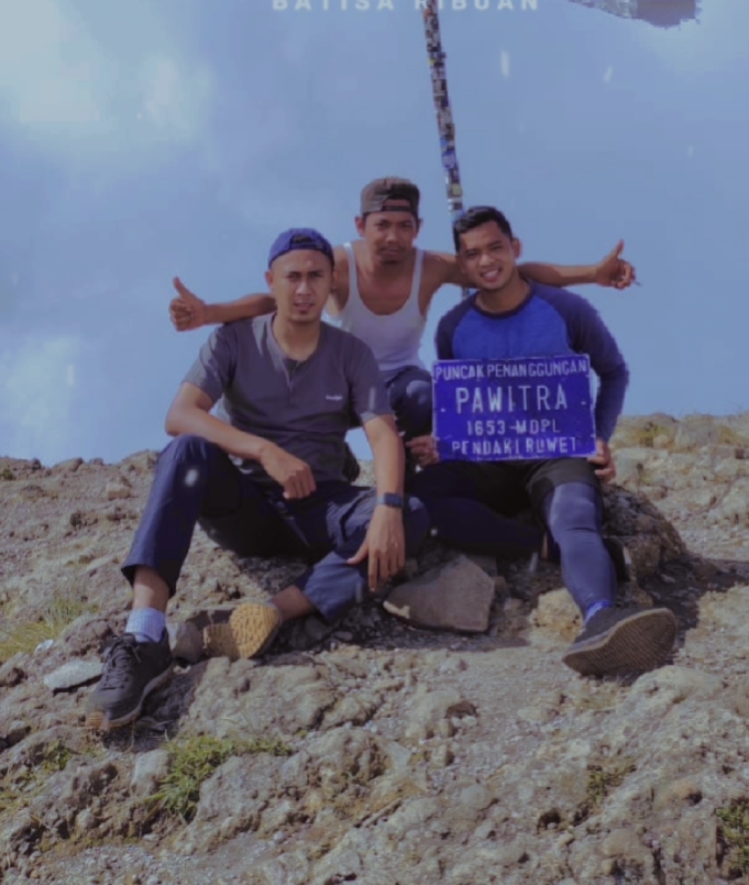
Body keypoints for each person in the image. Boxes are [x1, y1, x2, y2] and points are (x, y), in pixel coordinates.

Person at [86, 228, 429, 733]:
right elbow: (181, 414)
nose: (305, 289)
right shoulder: (234, 339)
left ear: (332, 283)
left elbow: (381, 432)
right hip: (245, 506)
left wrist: (388, 506)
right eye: (293, 277)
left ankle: (269, 614)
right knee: (186, 451)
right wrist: (265, 451)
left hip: (320, 508)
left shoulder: (351, 353)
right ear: (272, 281)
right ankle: (143, 636)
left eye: (316, 277)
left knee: (410, 515)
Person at [169, 177, 636, 465]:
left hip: (394, 384)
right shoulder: (337, 264)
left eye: (404, 226)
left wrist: (592, 274)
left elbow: (513, 272)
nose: (393, 236)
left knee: (425, 394)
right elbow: (275, 299)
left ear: (417, 228)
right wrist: (210, 313)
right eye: (382, 225)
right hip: (335, 381)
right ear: (361, 225)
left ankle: (414, 483)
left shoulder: (429, 267)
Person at [423, 205, 677, 677]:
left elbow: (614, 372)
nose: (486, 261)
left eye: (495, 248)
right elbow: (461, 402)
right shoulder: (452, 328)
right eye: (473, 254)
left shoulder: (566, 309)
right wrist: (444, 443)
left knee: (573, 516)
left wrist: (598, 437)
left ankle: (600, 617)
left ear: (515, 248)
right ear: (462, 264)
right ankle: (551, 548)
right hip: (489, 462)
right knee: (424, 499)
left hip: (557, 455)